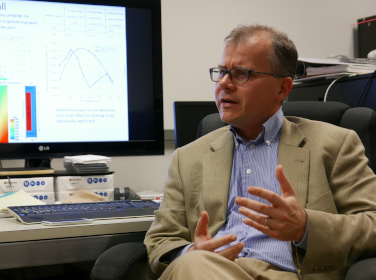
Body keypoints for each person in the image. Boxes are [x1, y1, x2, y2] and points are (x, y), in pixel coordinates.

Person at [144, 24, 376, 280]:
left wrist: (305, 227)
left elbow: (372, 223)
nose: (224, 83)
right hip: (206, 270)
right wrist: (191, 250)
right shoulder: (188, 157)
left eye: (241, 74)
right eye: (222, 72)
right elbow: (161, 238)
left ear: (283, 89)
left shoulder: (334, 144)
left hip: (286, 274)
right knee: (193, 264)